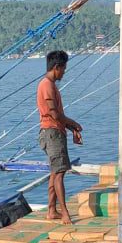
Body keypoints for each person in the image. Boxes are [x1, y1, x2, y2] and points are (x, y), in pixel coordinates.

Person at [37, 50, 83, 225]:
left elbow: (56, 115)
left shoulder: (49, 85)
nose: (64, 72)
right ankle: (64, 213)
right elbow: (54, 114)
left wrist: (71, 128)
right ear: (56, 67)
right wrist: (73, 123)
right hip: (52, 133)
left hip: (54, 131)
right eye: (63, 68)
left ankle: (51, 210)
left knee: (55, 171)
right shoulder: (47, 85)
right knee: (59, 174)